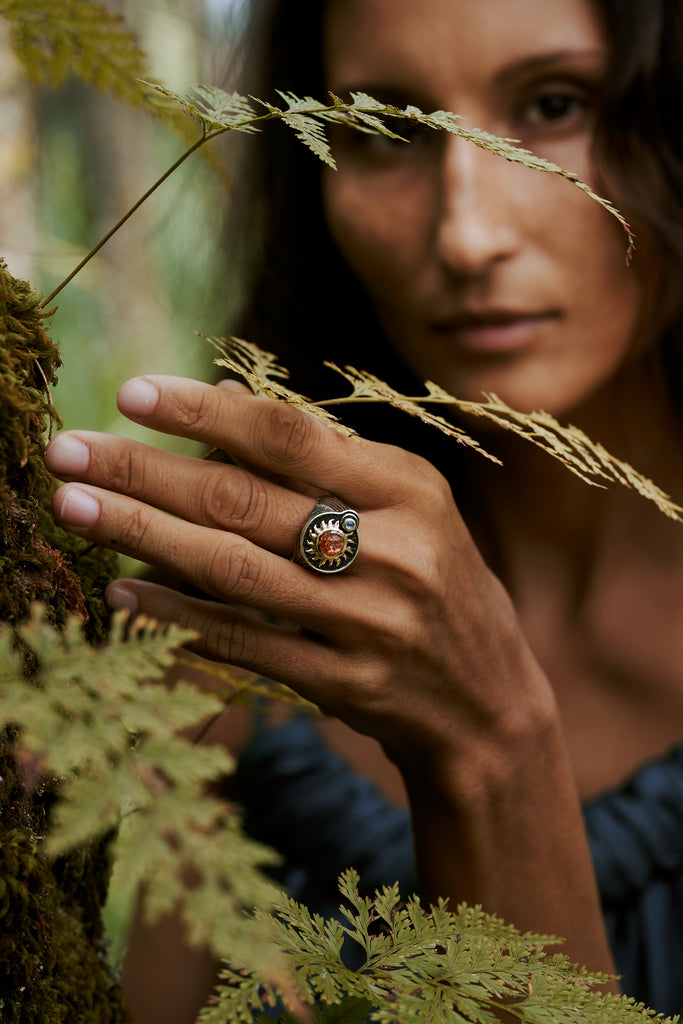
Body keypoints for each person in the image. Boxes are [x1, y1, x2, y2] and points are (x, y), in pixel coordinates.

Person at [45, 0, 683, 1017]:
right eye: (385, 129)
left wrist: (490, 746)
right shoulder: (246, 626)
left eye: (556, 103)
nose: (466, 233)